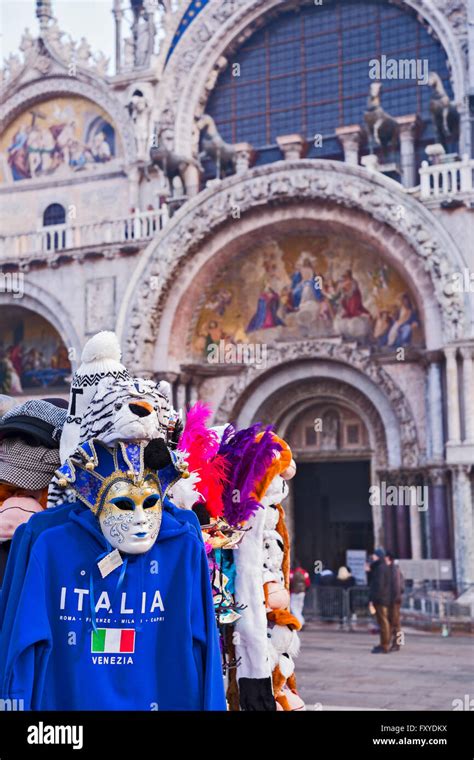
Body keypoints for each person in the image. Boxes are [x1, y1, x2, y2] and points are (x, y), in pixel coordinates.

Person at [368, 548, 391, 653]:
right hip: (382, 598)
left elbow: (379, 586)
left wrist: (374, 599)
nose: (372, 557)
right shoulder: (380, 567)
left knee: (383, 622)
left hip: (381, 599)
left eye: (374, 555)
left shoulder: (381, 568)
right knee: (382, 622)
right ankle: (383, 643)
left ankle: (384, 645)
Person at [386, 551, 405, 651]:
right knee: (397, 623)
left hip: (394, 599)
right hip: (395, 598)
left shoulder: (393, 569)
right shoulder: (394, 569)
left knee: (395, 622)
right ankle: (399, 642)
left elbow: (397, 585)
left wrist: (396, 597)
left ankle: (397, 643)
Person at [290, 560, 310, 627]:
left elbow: (289, 582)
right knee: (299, 608)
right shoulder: (304, 572)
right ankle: (299, 623)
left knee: (293, 608)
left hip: (294, 592)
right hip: (302, 592)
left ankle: (301, 622)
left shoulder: (292, 572)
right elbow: (307, 583)